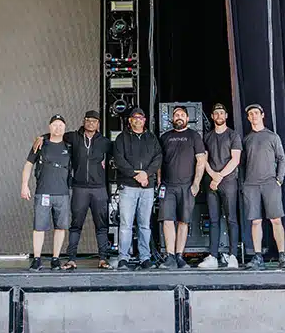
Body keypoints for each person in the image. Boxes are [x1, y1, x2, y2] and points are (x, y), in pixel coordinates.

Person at [30, 110, 114, 267]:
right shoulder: (73, 137)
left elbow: (119, 155)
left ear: (98, 124)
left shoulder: (104, 142)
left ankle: (103, 258)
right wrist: (41, 137)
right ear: (83, 121)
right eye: (88, 120)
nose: (91, 123)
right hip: (79, 187)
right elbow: (56, 134)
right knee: (75, 225)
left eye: (94, 121)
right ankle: (71, 259)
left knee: (102, 225)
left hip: (99, 189)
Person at [240, 104, 285, 269]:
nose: (254, 116)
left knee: (276, 220)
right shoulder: (246, 139)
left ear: (262, 115)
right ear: (248, 118)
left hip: (270, 183)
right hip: (251, 185)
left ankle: (282, 256)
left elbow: (282, 159)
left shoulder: (272, 137)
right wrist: (244, 183)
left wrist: (279, 179)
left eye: (256, 113)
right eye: (250, 114)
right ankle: (257, 256)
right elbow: (241, 164)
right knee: (255, 222)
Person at [20, 114, 75, 270]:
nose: (58, 127)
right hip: (43, 192)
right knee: (39, 227)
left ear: (65, 128)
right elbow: (28, 165)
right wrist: (24, 185)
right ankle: (37, 259)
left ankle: (55, 259)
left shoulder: (69, 146)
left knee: (61, 227)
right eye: (55, 124)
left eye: (61, 125)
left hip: (62, 193)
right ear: (49, 127)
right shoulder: (41, 144)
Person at [110, 106, 162, 269]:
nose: (138, 120)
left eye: (140, 118)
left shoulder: (152, 138)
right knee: (125, 224)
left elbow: (158, 158)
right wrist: (136, 175)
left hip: (147, 187)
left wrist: (146, 174)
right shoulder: (121, 139)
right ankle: (123, 258)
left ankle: (145, 258)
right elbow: (119, 160)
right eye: (135, 118)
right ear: (130, 120)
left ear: (144, 120)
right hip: (128, 186)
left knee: (144, 224)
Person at [158, 105, 207, 268]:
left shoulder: (194, 136)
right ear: (172, 119)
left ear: (187, 119)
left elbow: (201, 161)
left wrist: (196, 184)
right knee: (167, 220)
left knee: (183, 221)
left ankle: (179, 255)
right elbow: (158, 163)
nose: (178, 116)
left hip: (187, 186)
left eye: (182, 114)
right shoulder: (165, 137)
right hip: (168, 186)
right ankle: (170, 256)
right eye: (176, 114)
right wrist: (159, 181)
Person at [198, 103, 242, 269]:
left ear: (226, 116)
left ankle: (233, 256)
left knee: (231, 219)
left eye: (221, 113)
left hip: (228, 182)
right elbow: (204, 159)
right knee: (214, 220)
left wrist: (220, 176)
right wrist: (213, 175)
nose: (219, 116)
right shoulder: (207, 137)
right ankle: (213, 256)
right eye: (216, 113)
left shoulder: (233, 135)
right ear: (212, 116)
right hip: (211, 182)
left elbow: (235, 160)